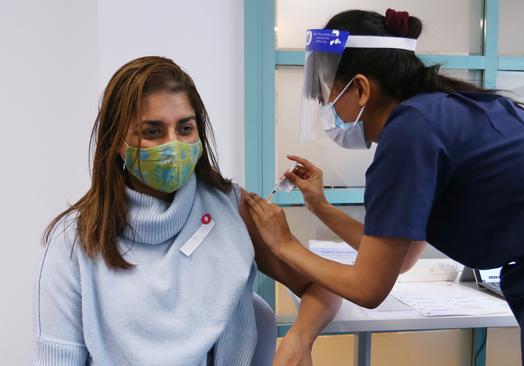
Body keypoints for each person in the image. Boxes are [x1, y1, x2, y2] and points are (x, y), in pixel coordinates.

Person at [244, 9, 524, 366]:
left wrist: (283, 244)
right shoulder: (438, 114)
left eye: (329, 97)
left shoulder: (411, 133)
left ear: (362, 89)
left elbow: (368, 288)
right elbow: (397, 260)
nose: (328, 112)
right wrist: (321, 207)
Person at [33, 56, 340, 366]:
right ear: (117, 142)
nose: (173, 144)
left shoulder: (234, 210)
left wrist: (300, 339)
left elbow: (326, 285)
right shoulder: (74, 240)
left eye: (185, 128)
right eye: (152, 132)